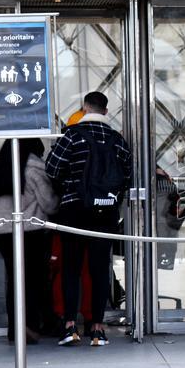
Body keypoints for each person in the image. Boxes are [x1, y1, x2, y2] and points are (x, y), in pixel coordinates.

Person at [46, 91, 132, 348]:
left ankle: (70, 325)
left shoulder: (71, 136)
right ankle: (97, 328)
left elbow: (52, 168)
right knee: (99, 269)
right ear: (106, 111)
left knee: (71, 268)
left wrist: (71, 185)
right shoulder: (117, 139)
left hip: (74, 209)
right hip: (105, 212)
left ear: (84, 109)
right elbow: (127, 175)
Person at [0, 138, 59, 344]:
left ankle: (16, 328)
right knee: (34, 280)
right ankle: (31, 325)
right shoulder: (33, 167)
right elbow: (49, 203)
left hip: (3, 231)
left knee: (13, 280)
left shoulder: (1, 165)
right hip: (31, 231)